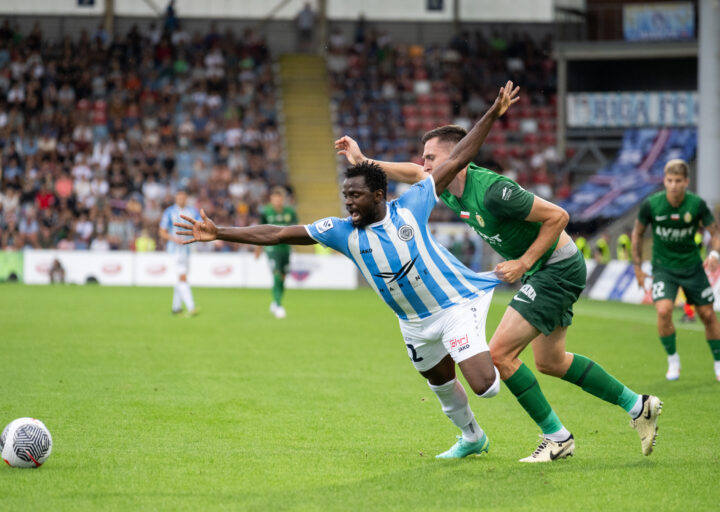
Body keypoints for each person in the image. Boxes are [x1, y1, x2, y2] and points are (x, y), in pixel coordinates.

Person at [176, 82, 519, 459]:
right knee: (440, 386)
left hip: (451, 307)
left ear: (377, 196)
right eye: (345, 196)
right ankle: (472, 437)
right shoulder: (340, 231)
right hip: (414, 323)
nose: (348, 203)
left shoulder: (412, 205)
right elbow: (275, 233)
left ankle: (495, 367)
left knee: (487, 386)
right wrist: (220, 231)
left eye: (354, 196)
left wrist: (492, 112)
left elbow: (459, 156)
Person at [335, 125, 661, 463]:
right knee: (550, 362)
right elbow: (412, 171)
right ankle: (639, 406)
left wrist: (523, 262)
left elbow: (559, 216)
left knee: (501, 354)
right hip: (544, 270)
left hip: (556, 268)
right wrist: (363, 160)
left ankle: (557, 438)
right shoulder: (443, 186)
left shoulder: (492, 191)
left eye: (432, 156)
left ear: (456, 155)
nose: (425, 164)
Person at [632, 159, 720, 381]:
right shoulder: (651, 204)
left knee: (708, 315)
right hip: (663, 269)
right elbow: (638, 233)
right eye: (669, 180)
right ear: (664, 181)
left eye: (678, 181)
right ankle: (673, 360)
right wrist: (638, 267)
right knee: (663, 311)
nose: (673, 185)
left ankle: (718, 362)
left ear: (686, 182)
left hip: (692, 267)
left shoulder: (696, 204)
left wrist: (714, 254)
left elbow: (715, 233)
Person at [254, 187, 298, 319]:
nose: (278, 201)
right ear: (271, 199)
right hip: (272, 248)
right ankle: (279, 305)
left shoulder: (290, 211)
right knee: (277, 275)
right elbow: (259, 231)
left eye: (280, 198)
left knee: (283, 277)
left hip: (286, 249)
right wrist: (258, 248)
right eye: (275, 198)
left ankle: (275, 301)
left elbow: (296, 228)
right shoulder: (266, 212)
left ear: (283, 199)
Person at [159, 189, 200, 317]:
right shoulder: (169, 212)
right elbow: (162, 231)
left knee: (180, 278)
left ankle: (176, 308)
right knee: (182, 276)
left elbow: (201, 226)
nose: (181, 200)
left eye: (183, 198)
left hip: (187, 249)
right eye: (179, 198)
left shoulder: (192, 211)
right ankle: (191, 306)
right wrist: (173, 239)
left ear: (186, 199)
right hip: (174, 250)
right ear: (176, 199)